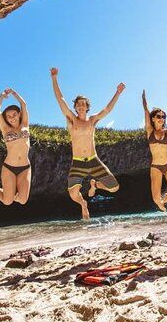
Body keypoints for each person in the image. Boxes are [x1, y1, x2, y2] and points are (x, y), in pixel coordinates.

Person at [50, 67, 124, 219]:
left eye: (84, 104)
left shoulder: (92, 120)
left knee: (115, 187)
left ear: (87, 107)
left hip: (93, 160)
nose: (81, 106)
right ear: (75, 107)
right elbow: (60, 99)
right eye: (78, 104)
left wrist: (117, 92)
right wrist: (54, 78)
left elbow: (107, 109)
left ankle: (95, 185)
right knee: (73, 194)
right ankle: (83, 204)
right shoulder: (72, 119)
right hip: (78, 162)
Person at [0, 88, 31, 205]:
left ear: (19, 114)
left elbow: (23, 104)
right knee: (7, 201)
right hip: (9, 167)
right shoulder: (6, 129)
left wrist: (14, 94)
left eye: (14, 115)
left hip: (25, 167)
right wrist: (2, 96)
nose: (12, 118)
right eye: (8, 116)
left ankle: (8, 193)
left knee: (23, 200)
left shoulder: (25, 124)